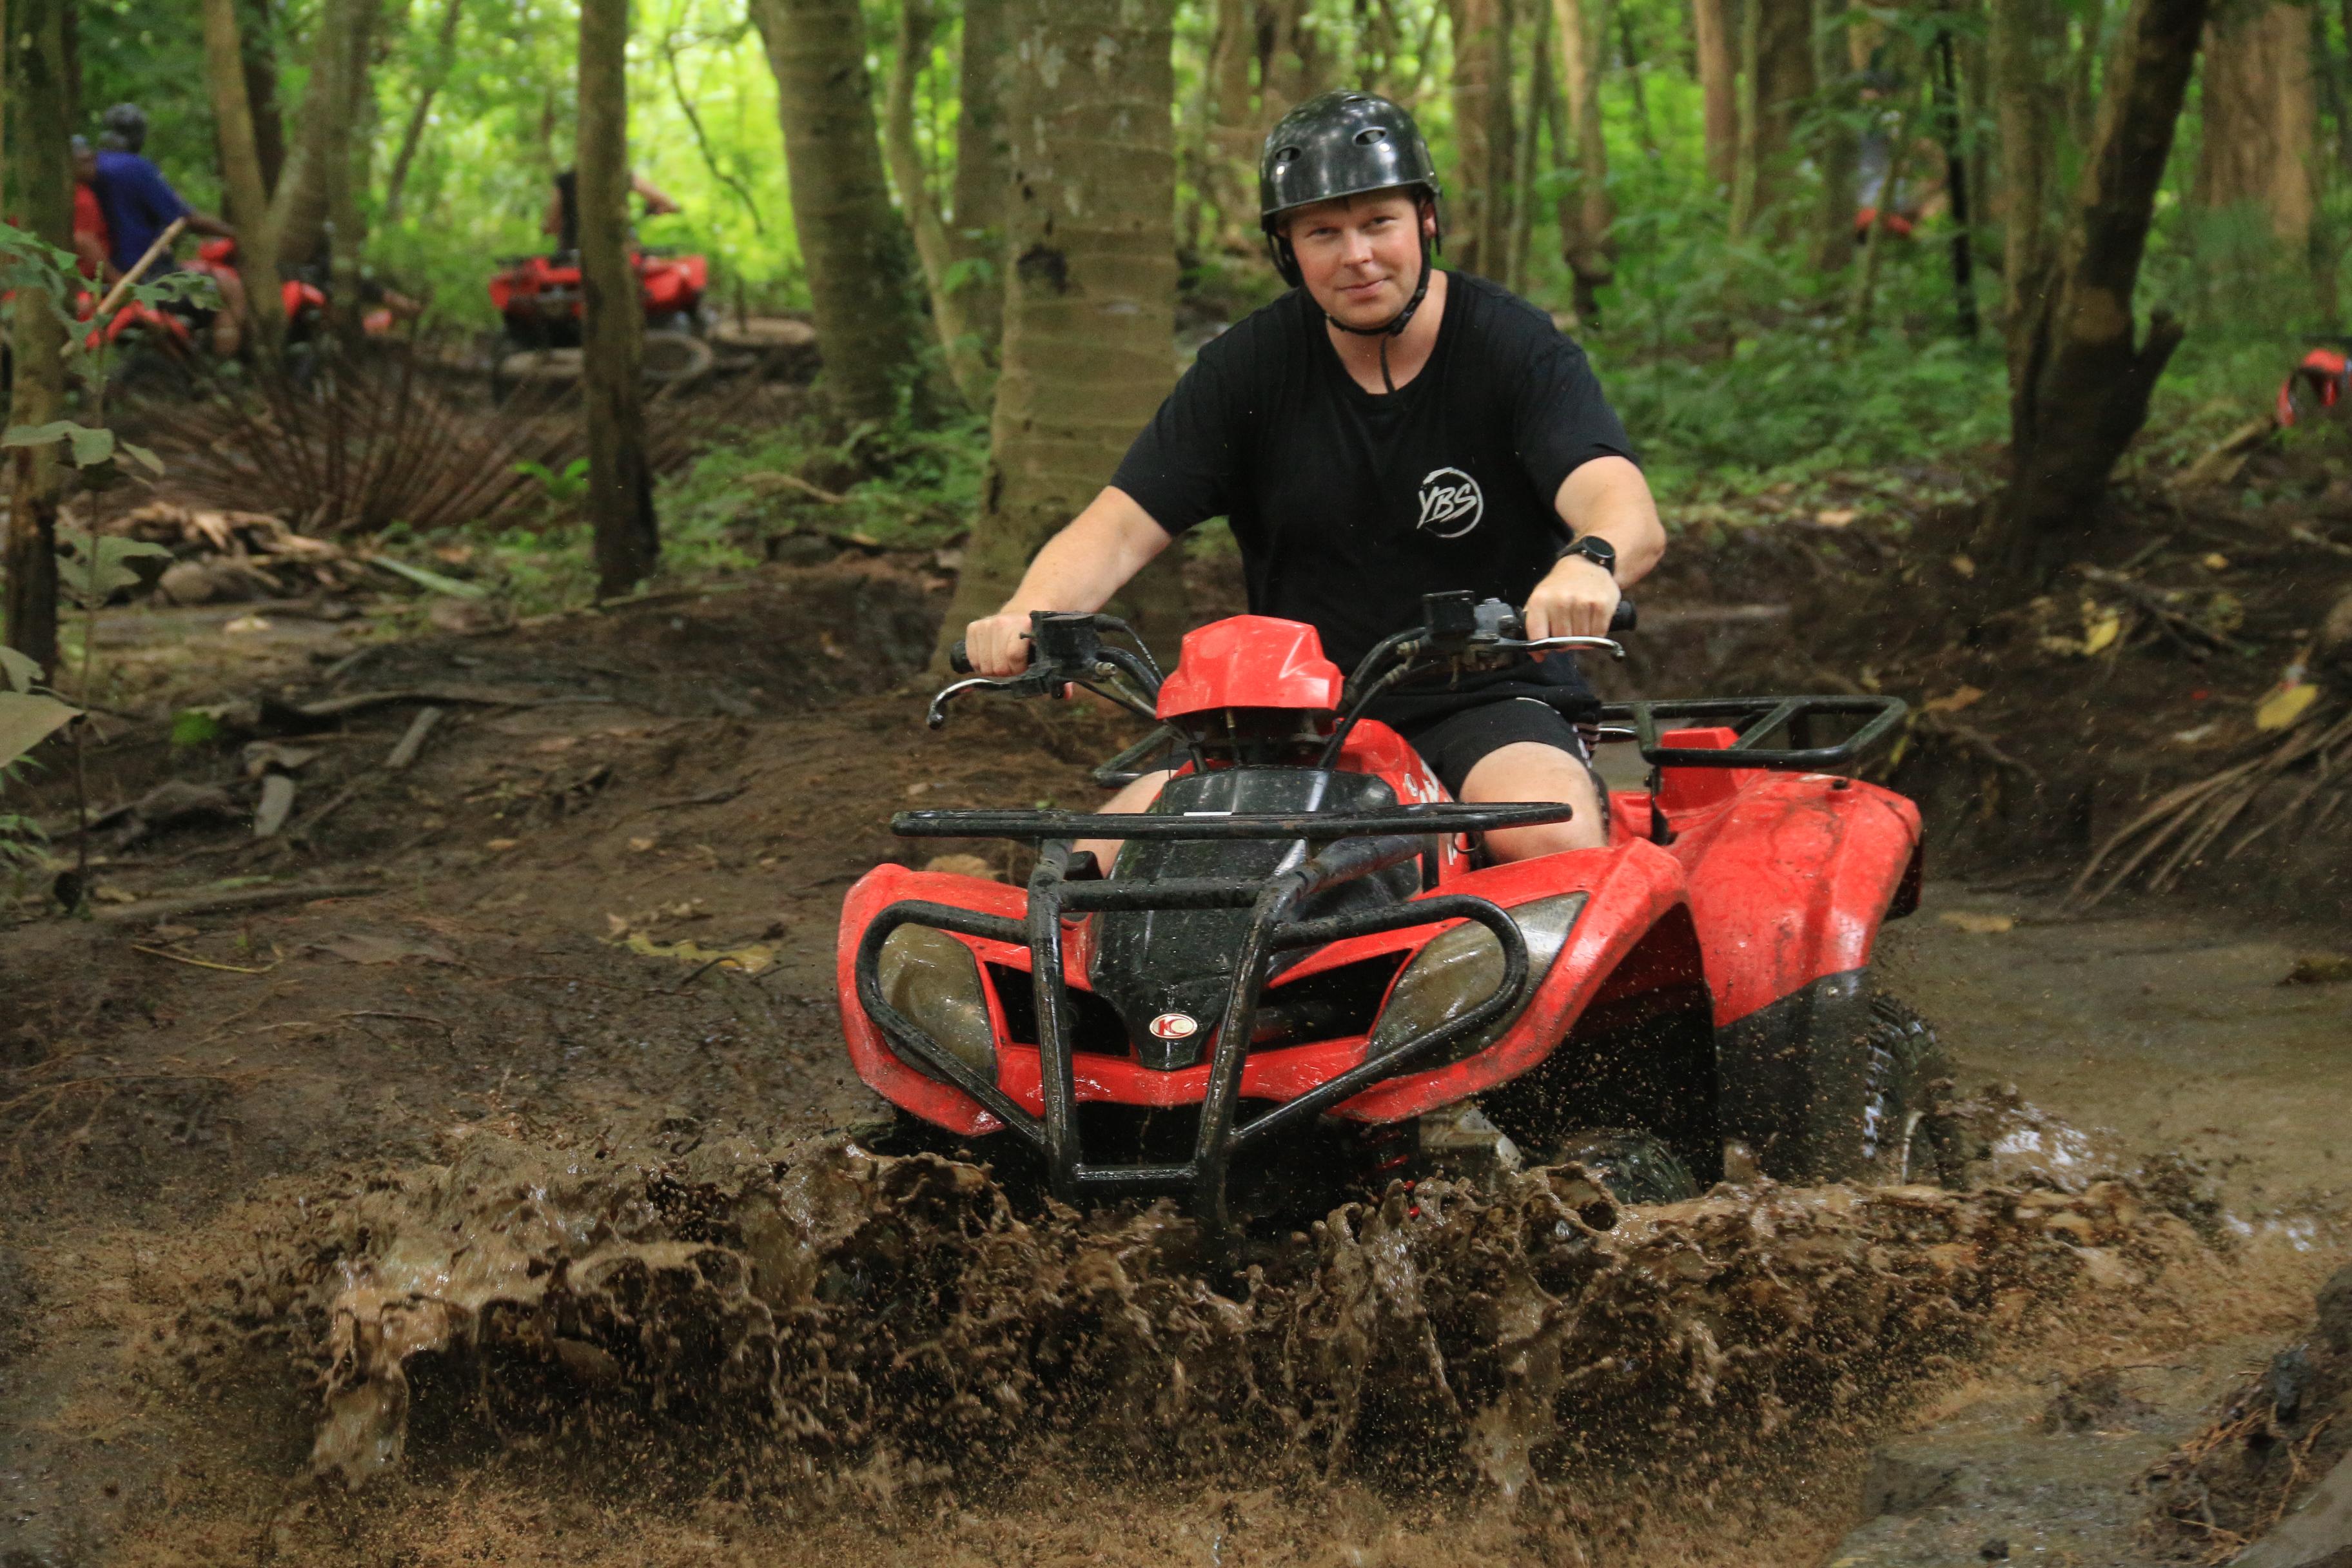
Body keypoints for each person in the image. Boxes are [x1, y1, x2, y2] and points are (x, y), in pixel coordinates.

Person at [962, 90, 1664, 863]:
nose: (1357, 255)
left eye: (1378, 224)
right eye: (1324, 232)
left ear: (1425, 220)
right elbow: (1123, 522)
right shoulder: (1248, 370)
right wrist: (1031, 612)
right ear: (1286, 249)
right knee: (1093, 859)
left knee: (1547, 831)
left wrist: (1591, 560)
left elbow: (1616, 496)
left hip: (1488, 695)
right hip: (1289, 717)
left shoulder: (1512, 346)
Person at [89, 103, 247, 353]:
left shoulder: (91, 166)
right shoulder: (136, 168)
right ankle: (222, 369)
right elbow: (186, 218)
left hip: (105, 273)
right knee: (228, 289)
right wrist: (237, 233)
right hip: (143, 273)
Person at [543, 168, 680, 255]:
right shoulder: (619, 174)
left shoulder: (564, 180)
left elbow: (552, 224)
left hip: (574, 250)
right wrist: (667, 208)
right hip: (620, 249)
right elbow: (667, 202)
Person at [71, 137, 114, 284]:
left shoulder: (82, 191)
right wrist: (115, 278)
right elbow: (84, 241)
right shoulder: (80, 197)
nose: (92, 167)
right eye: (84, 162)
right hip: (83, 282)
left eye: (92, 160)